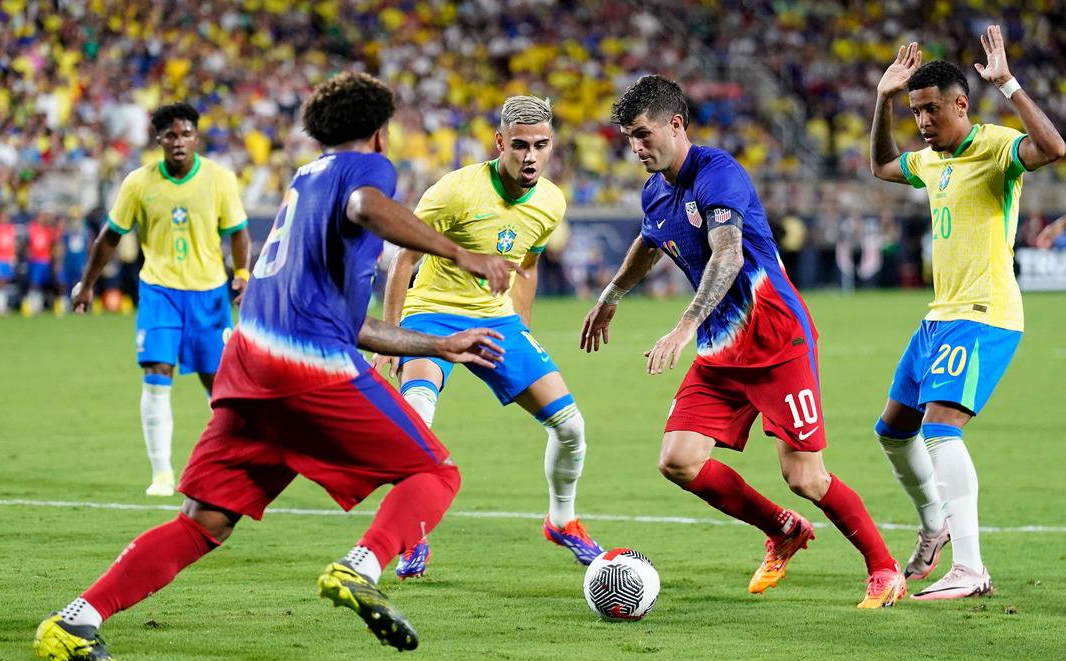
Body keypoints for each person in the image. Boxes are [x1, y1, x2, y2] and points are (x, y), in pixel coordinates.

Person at [34, 72, 518, 661]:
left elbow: (345, 319)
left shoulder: (304, 182)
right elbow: (367, 207)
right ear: (378, 131)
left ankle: (74, 621)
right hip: (305, 365)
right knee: (436, 474)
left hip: (249, 362)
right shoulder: (364, 171)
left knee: (204, 522)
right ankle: (360, 568)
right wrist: (463, 254)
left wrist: (438, 346)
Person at [580, 75, 906, 608]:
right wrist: (614, 292)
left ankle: (884, 568)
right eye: (628, 138)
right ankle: (783, 530)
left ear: (676, 124)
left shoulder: (718, 173)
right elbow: (649, 239)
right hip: (720, 350)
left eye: (642, 134)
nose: (636, 147)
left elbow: (727, 255)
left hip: (777, 342)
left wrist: (684, 325)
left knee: (804, 476)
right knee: (679, 460)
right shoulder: (655, 187)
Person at [868, 28, 1065, 598]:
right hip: (939, 315)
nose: (923, 121)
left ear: (961, 104)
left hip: (983, 310)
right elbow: (881, 164)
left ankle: (972, 569)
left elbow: (1053, 149)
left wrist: (1008, 84)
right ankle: (936, 524)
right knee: (893, 430)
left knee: (939, 430)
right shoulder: (930, 162)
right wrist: (883, 100)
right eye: (914, 111)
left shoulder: (997, 147)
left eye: (931, 109)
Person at [373, 95, 602, 578]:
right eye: (520, 145)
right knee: (416, 420)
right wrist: (390, 338)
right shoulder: (455, 191)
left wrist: (521, 329)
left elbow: (528, 267)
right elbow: (404, 260)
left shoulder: (550, 202)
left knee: (571, 427)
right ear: (500, 141)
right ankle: (411, 533)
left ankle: (562, 522)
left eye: (541, 145)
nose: (531, 156)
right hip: (431, 314)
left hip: (498, 322)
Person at [70, 102, 252, 497]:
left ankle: (229, 464)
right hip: (158, 292)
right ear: (158, 140)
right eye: (171, 135)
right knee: (156, 375)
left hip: (208, 294)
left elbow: (238, 232)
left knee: (218, 385)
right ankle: (162, 474)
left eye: (186, 134)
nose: (179, 142)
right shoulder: (138, 183)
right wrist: (86, 285)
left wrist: (241, 275)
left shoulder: (219, 179)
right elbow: (110, 236)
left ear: (196, 137)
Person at [24, 209, 57, 315]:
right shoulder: (32, 228)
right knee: (34, 283)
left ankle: (39, 305)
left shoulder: (48, 230)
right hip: (35, 260)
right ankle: (31, 304)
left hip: (45, 260)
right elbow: (27, 243)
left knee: (43, 284)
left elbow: (53, 243)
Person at [0, 207, 18, 316]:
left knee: (5, 282)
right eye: (3, 215)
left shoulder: (11, 227)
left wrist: (13, 256)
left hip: (8, 258)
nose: (5, 217)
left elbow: (13, 243)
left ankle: (3, 305)